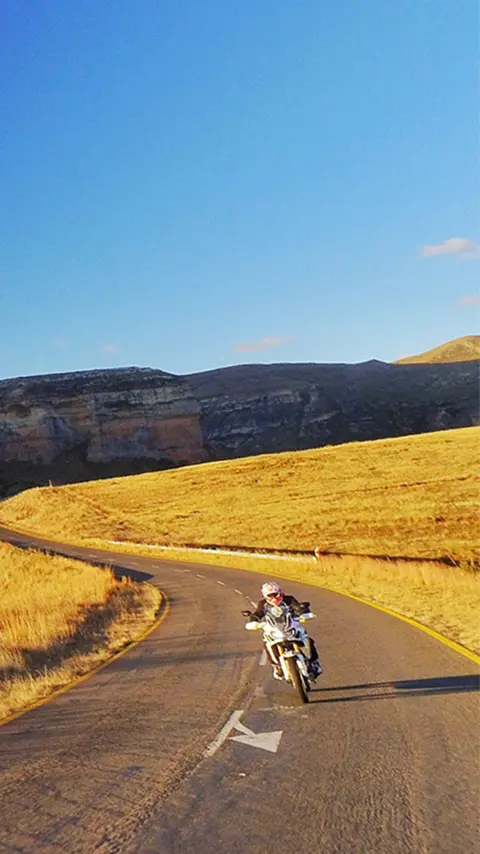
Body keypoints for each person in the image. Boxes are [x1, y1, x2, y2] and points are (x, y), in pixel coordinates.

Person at [250, 581, 322, 679]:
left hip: (292, 626)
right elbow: (257, 613)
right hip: (274, 629)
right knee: (267, 644)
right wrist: (254, 621)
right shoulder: (263, 604)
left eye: (275, 594)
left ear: (279, 592)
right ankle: (276, 666)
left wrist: (303, 612)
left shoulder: (289, 599)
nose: (273, 597)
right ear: (265, 595)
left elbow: (299, 607)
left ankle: (314, 662)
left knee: (308, 640)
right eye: (270, 595)